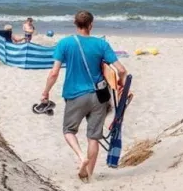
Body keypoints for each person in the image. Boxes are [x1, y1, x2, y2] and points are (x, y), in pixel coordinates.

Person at [39, 10, 127, 181]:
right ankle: (89, 175)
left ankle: (81, 157)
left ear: (75, 23)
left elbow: (54, 73)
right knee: (93, 137)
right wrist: (121, 86)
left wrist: (46, 92)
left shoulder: (65, 43)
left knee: (68, 130)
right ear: (91, 25)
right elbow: (122, 70)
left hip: (75, 95)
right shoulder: (101, 44)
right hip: (99, 97)